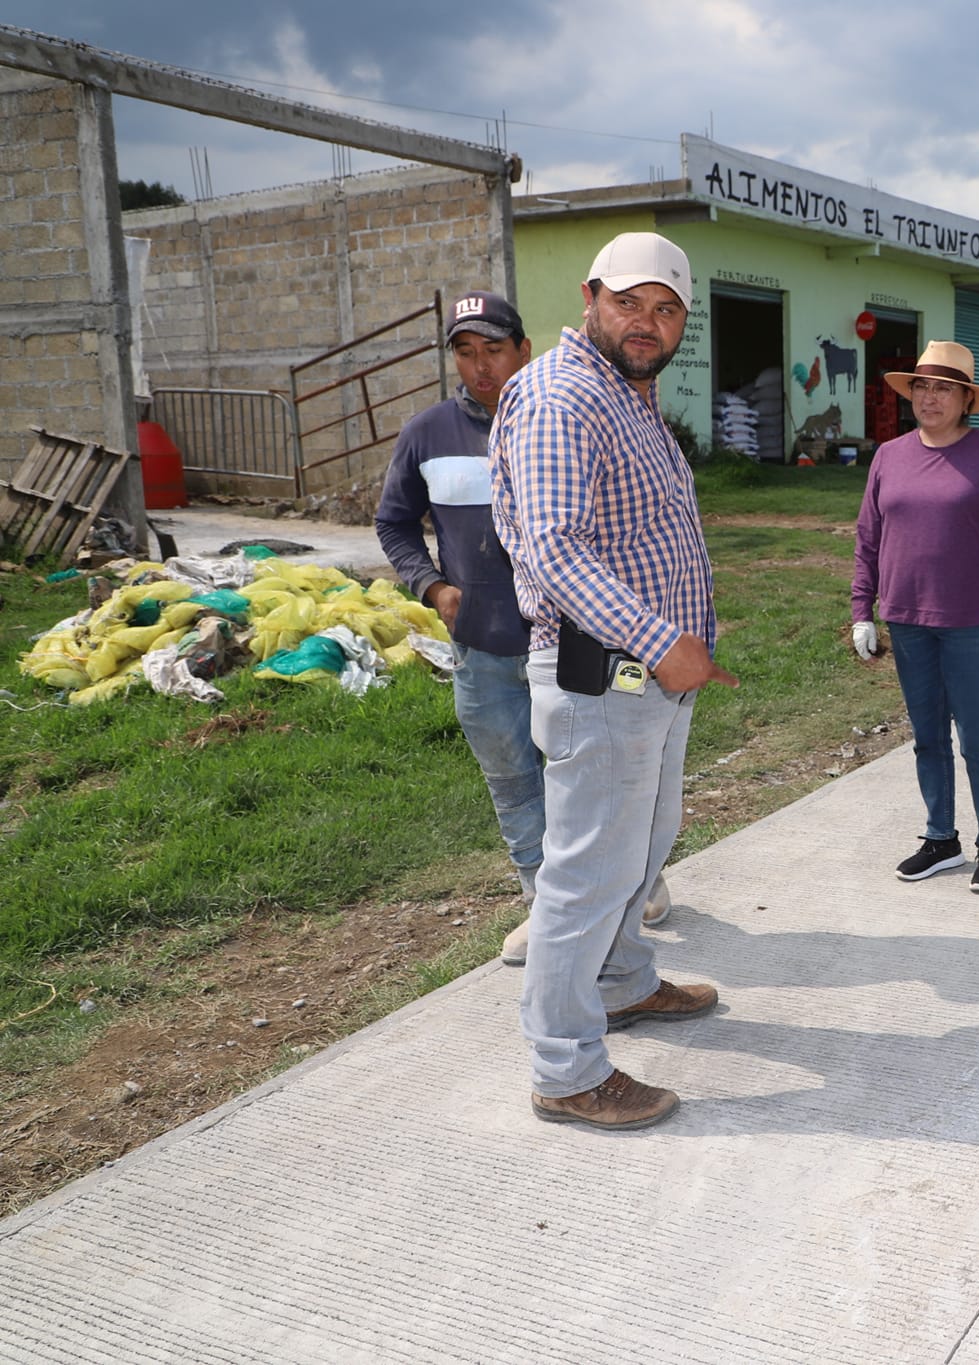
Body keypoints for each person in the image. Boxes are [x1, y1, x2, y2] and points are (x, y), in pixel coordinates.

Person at [491, 233, 737, 1130]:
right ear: (592, 296)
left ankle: (624, 980)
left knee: (644, 842)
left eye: (667, 309)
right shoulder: (563, 396)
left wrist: (682, 642)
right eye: (631, 302)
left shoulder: (626, 398)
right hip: (605, 675)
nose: (649, 322)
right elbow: (553, 548)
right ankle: (565, 1068)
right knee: (589, 872)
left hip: (649, 680)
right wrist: (662, 637)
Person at [373, 291, 669, 965]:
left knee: (604, 772)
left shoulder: (564, 417)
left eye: (494, 350)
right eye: (465, 352)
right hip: (481, 646)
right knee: (511, 776)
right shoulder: (428, 434)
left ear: (524, 350)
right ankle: (546, 901)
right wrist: (432, 584)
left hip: (575, 643)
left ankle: (632, 880)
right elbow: (394, 522)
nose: (480, 367)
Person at [850, 340, 979, 893]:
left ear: (966, 399)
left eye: (944, 388)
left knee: (978, 737)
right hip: (907, 619)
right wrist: (864, 610)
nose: (930, 398)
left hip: (974, 623)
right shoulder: (889, 456)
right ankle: (941, 839)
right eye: (923, 387)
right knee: (927, 735)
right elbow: (868, 539)